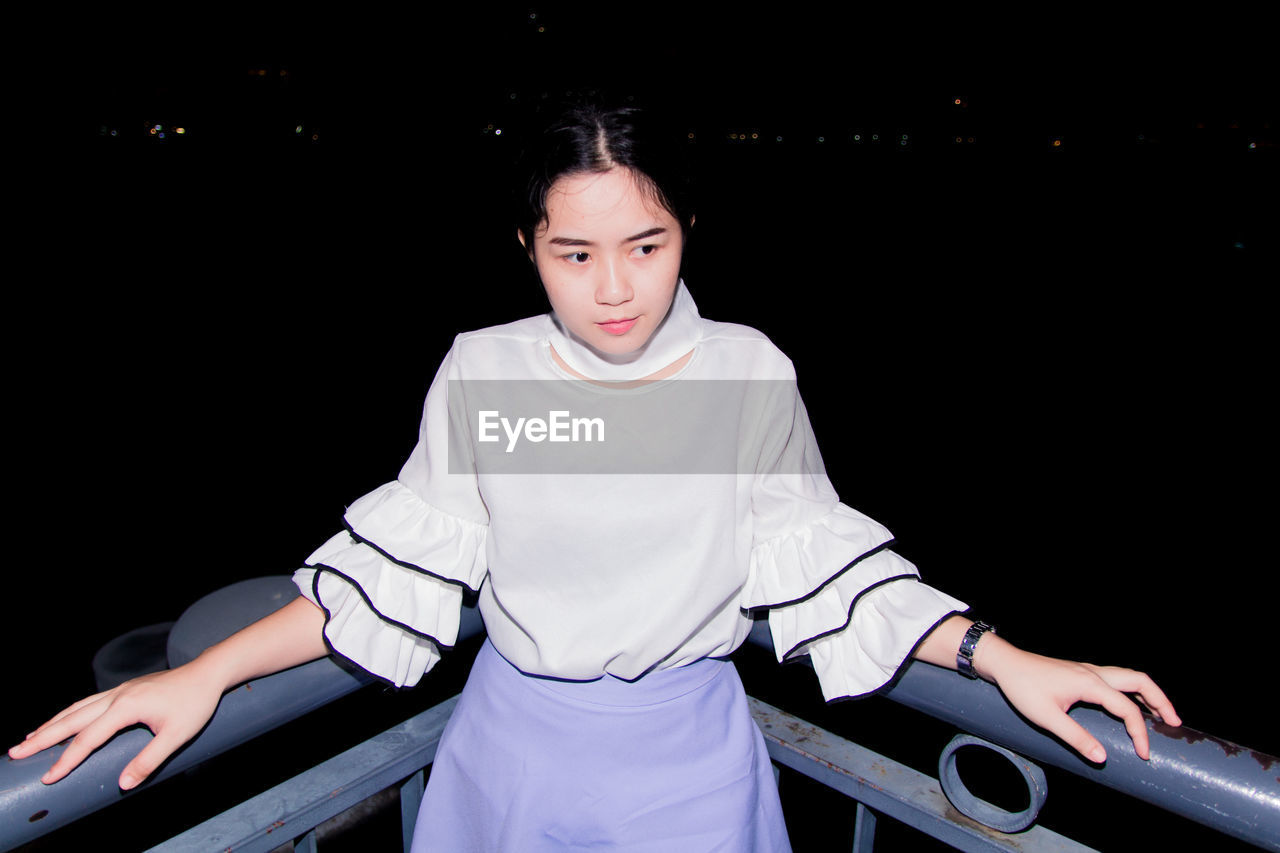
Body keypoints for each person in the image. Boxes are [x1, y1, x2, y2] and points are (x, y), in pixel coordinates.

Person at [10, 102, 1180, 852]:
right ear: (527, 249)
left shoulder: (742, 374)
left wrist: (1002, 657)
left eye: (645, 245)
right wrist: (202, 677)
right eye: (574, 253)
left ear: (686, 233)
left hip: (690, 766)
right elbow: (389, 574)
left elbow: (824, 562)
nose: (614, 288)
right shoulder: (487, 373)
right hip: (509, 754)